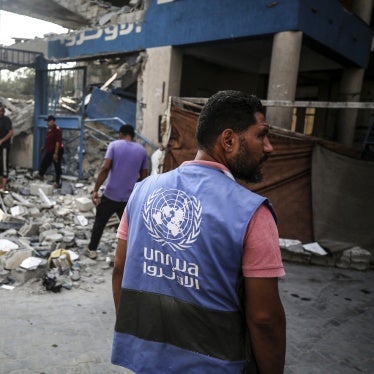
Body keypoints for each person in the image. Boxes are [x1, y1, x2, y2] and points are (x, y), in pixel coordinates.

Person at [111, 90, 286, 373]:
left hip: (145, 362)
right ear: (228, 140)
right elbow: (265, 319)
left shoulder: (142, 192)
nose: (269, 147)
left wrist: (140, 340)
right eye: (261, 135)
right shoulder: (253, 213)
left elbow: (120, 270)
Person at [84, 124, 149, 260]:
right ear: (132, 135)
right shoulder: (142, 151)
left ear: (121, 134)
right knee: (129, 229)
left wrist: (95, 189)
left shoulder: (114, 145)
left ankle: (92, 249)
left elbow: (105, 168)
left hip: (111, 194)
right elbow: (144, 176)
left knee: (99, 223)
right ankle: (131, 255)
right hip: (129, 198)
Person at [38, 115, 64, 188]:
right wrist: (44, 147)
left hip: (57, 150)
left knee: (57, 166)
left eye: (48, 122)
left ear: (52, 122)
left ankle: (58, 182)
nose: (47, 123)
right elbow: (48, 140)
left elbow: (58, 142)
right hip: (50, 150)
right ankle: (40, 175)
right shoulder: (49, 129)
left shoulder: (57, 130)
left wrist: (56, 153)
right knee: (45, 162)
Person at [0, 105, 14, 192]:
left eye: (1, 111)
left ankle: (4, 186)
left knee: (4, 166)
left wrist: (2, 140)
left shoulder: (6, 120)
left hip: (4, 146)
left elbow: (11, 132)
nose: (0, 113)